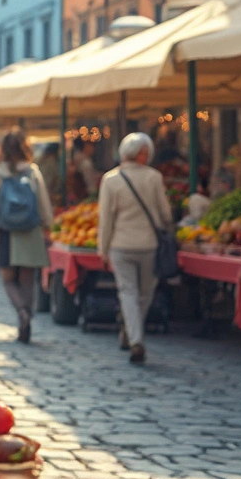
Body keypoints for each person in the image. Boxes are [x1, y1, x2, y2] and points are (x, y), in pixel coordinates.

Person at [97, 132, 172, 364]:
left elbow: (105, 219)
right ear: (144, 153)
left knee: (127, 293)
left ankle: (134, 337)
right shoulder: (154, 177)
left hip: (120, 244)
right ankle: (133, 335)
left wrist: (103, 249)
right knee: (145, 293)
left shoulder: (110, 179)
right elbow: (165, 213)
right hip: (149, 244)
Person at [0, 128, 54, 344]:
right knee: (27, 281)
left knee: (7, 280)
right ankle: (27, 315)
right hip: (30, 232)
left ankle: (21, 312)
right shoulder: (32, 171)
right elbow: (43, 202)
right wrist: (48, 225)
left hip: (7, 233)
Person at [69, 137, 100, 201]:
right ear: (86, 146)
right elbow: (90, 183)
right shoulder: (86, 163)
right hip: (83, 196)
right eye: (92, 146)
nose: (93, 149)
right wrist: (93, 194)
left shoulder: (78, 157)